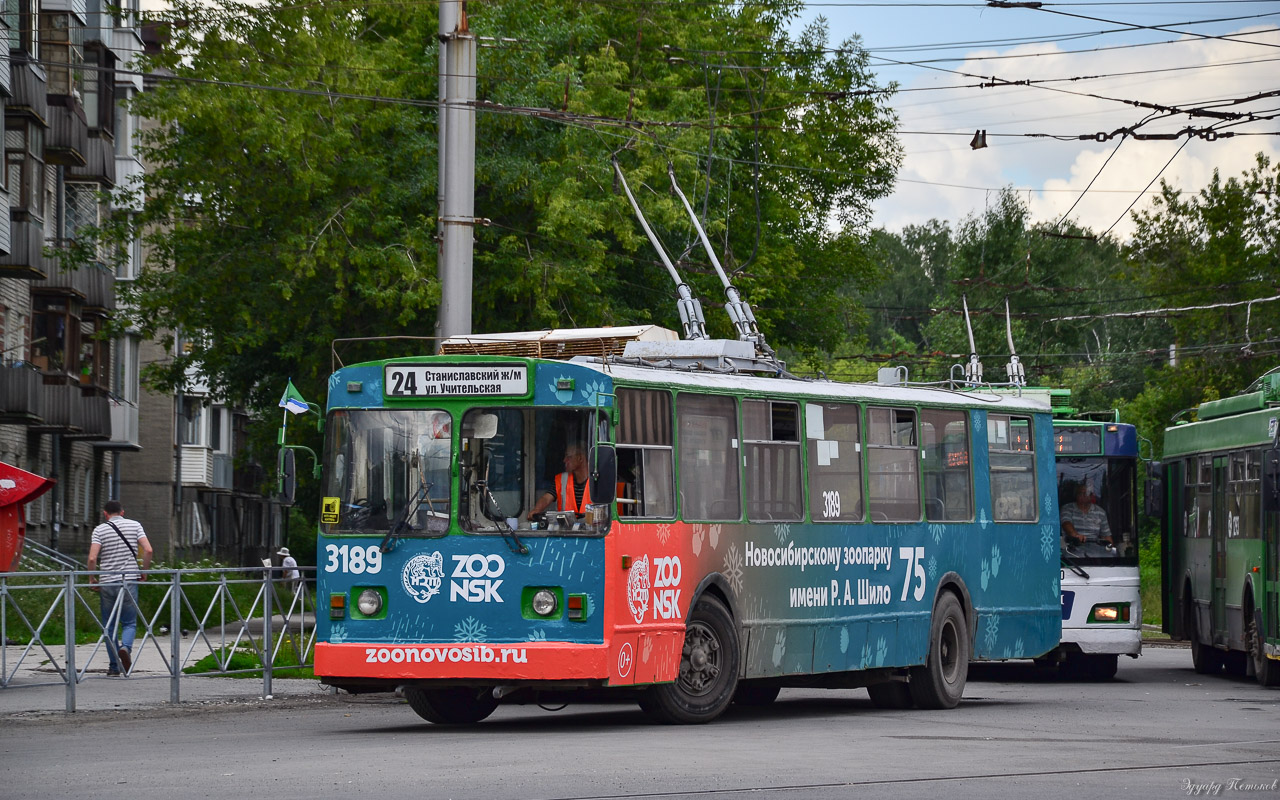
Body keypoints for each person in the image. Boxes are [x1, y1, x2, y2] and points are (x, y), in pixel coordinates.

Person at [87, 500, 153, 676]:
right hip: (129, 580)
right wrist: (144, 572)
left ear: (105, 513)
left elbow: (93, 558)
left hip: (107, 581)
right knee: (129, 622)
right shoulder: (135, 525)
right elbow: (148, 550)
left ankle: (114, 667)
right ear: (122, 512)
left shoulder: (99, 529)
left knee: (109, 626)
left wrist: (92, 578)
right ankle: (126, 647)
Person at [530, 442, 593, 517]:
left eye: (568, 457)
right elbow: (546, 498)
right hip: (566, 527)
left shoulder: (597, 480)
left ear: (580, 458)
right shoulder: (562, 479)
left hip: (592, 528)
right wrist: (537, 510)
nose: (564, 460)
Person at [1061, 483, 1112, 547]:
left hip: (1095, 551)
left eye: (1085, 493)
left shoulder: (1100, 512)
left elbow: (1106, 536)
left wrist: (1111, 550)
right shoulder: (1067, 508)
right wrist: (1076, 536)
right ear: (1076, 495)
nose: (1083, 496)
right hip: (1071, 550)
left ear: (1091, 496)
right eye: (1080, 493)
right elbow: (1066, 524)